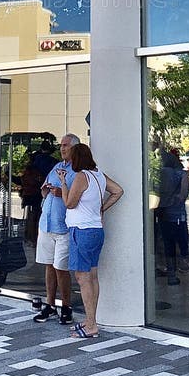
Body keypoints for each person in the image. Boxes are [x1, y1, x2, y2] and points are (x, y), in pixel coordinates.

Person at [58, 143, 123, 339]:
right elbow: (118, 190)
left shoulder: (81, 176)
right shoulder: (99, 175)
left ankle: (92, 325)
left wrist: (63, 183)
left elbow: (69, 203)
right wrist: (102, 207)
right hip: (96, 230)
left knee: (82, 277)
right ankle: (89, 319)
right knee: (92, 276)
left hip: (82, 231)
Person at [33, 133, 79, 325]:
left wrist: (62, 192)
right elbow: (45, 188)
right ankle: (50, 304)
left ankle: (66, 305)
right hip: (47, 223)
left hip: (64, 227)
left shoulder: (79, 171)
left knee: (61, 268)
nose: (62, 148)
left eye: (66, 145)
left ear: (75, 148)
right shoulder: (56, 167)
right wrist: (47, 190)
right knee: (49, 265)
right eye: (61, 145)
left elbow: (77, 198)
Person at [157, 149, 189, 285]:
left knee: (167, 244)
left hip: (162, 213)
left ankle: (169, 270)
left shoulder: (160, 174)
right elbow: (182, 195)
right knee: (181, 242)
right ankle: (180, 267)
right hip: (178, 215)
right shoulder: (182, 175)